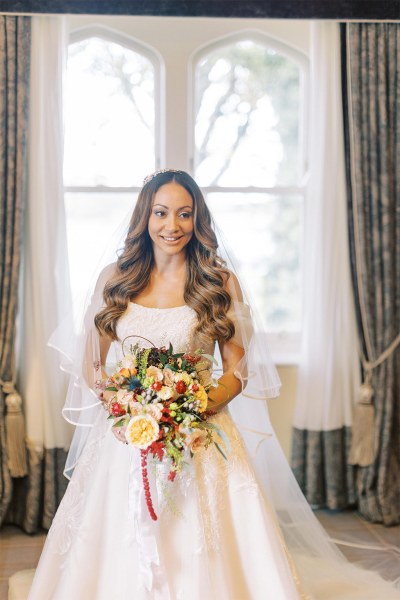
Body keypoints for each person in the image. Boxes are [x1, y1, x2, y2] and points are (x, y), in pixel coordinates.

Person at [27, 170, 400, 600]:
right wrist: (126, 403)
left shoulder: (218, 281)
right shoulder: (117, 278)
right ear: (144, 218)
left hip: (201, 434)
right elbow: (92, 362)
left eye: (184, 215)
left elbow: (238, 368)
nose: (173, 226)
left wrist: (194, 407)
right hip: (128, 436)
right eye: (161, 213)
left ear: (197, 219)